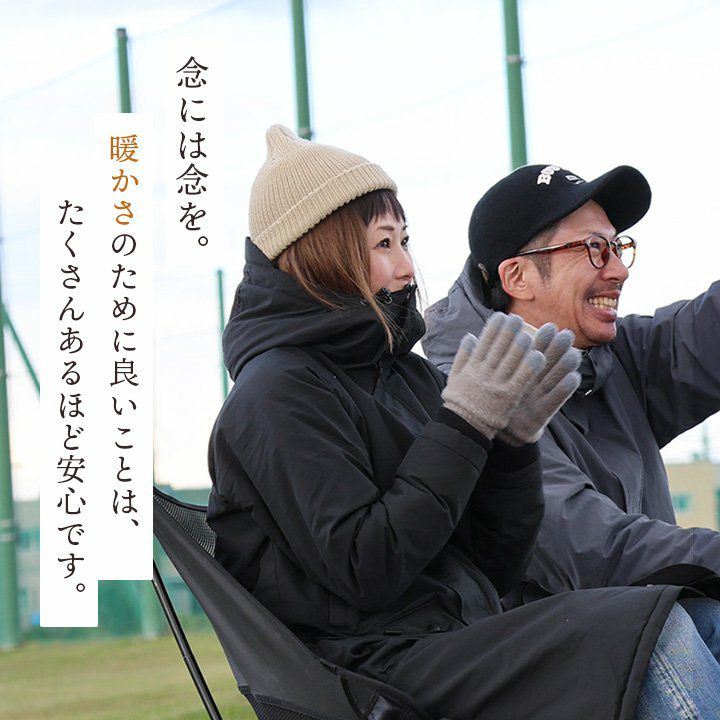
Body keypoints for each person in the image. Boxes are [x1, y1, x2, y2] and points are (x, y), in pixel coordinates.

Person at [207, 129, 720, 719]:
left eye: (404, 241)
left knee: (704, 618)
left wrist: (513, 445)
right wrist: (465, 424)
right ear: (324, 254)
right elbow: (369, 570)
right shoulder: (275, 395)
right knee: (652, 638)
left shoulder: (401, 376)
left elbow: (493, 565)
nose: (406, 267)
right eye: (383, 244)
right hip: (373, 672)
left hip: (458, 637)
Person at [422, 163, 720, 629]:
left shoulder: (614, 357)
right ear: (518, 277)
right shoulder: (466, 402)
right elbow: (591, 548)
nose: (618, 270)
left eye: (617, 247)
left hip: (654, 628)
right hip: (577, 659)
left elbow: (709, 332)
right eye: (593, 249)